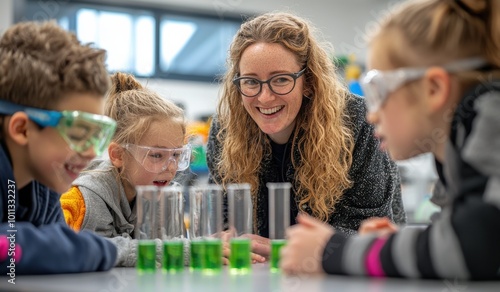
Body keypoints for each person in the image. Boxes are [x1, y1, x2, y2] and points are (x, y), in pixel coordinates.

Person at [281, 0, 500, 280]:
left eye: (378, 91)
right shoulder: (460, 142)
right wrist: (386, 247)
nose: (371, 115)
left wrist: (332, 250)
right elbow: (460, 239)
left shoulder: (489, 114)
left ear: (434, 88)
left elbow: (468, 249)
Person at [206, 12, 406, 260]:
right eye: (250, 81)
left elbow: (370, 229)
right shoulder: (226, 129)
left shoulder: (358, 121)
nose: (264, 97)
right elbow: (221, 217)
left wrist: (286, 248)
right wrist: (223, 237)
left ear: (309, 81)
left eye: (281, 80)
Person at [0, 21, 118, 274]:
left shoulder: (42, 184)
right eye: (77, 132)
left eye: (98, 135)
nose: (90, 152)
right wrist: (94, 249)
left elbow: (58, 244)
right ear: (22, 129)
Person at [60, 72, 191, 267]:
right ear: (118, 155)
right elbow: (95, 251)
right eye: (156, 155)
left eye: (176, 155)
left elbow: (178, 248)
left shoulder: (165, 196)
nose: (170, 167)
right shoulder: (88, 197)